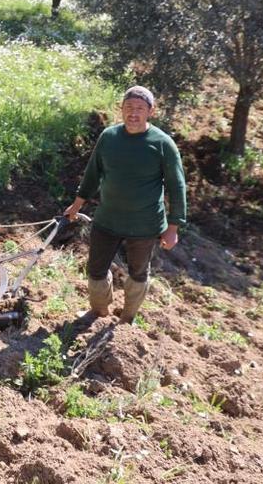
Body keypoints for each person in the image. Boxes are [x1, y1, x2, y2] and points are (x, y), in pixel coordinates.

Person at [64, 86, 187, 323]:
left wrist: (173, 228)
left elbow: (177, 186)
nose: (133, 113)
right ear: (121, 109)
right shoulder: (109, 137)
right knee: (96, 271)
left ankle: (127, 318)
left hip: (145, 225)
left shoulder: (163, 144)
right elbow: (92, 174)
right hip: (107, 219)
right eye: (128, 108)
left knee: (138, 273)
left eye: (139, 109)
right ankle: (99, 311)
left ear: (151, 111)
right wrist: (76, 205)